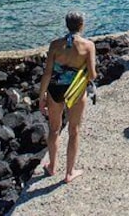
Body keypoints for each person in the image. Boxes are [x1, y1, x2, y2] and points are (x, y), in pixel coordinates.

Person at [37, 11, 97, 183]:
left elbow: (47, 73)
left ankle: (52, 166)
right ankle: (69, 173)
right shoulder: (88, 46)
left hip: (55, 90)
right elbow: (92, 75)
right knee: (74, 131)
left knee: (54, 129)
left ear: (66, 24)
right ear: (82, 25)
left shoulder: (55, 45)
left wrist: (41, 96)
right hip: (76, 91)